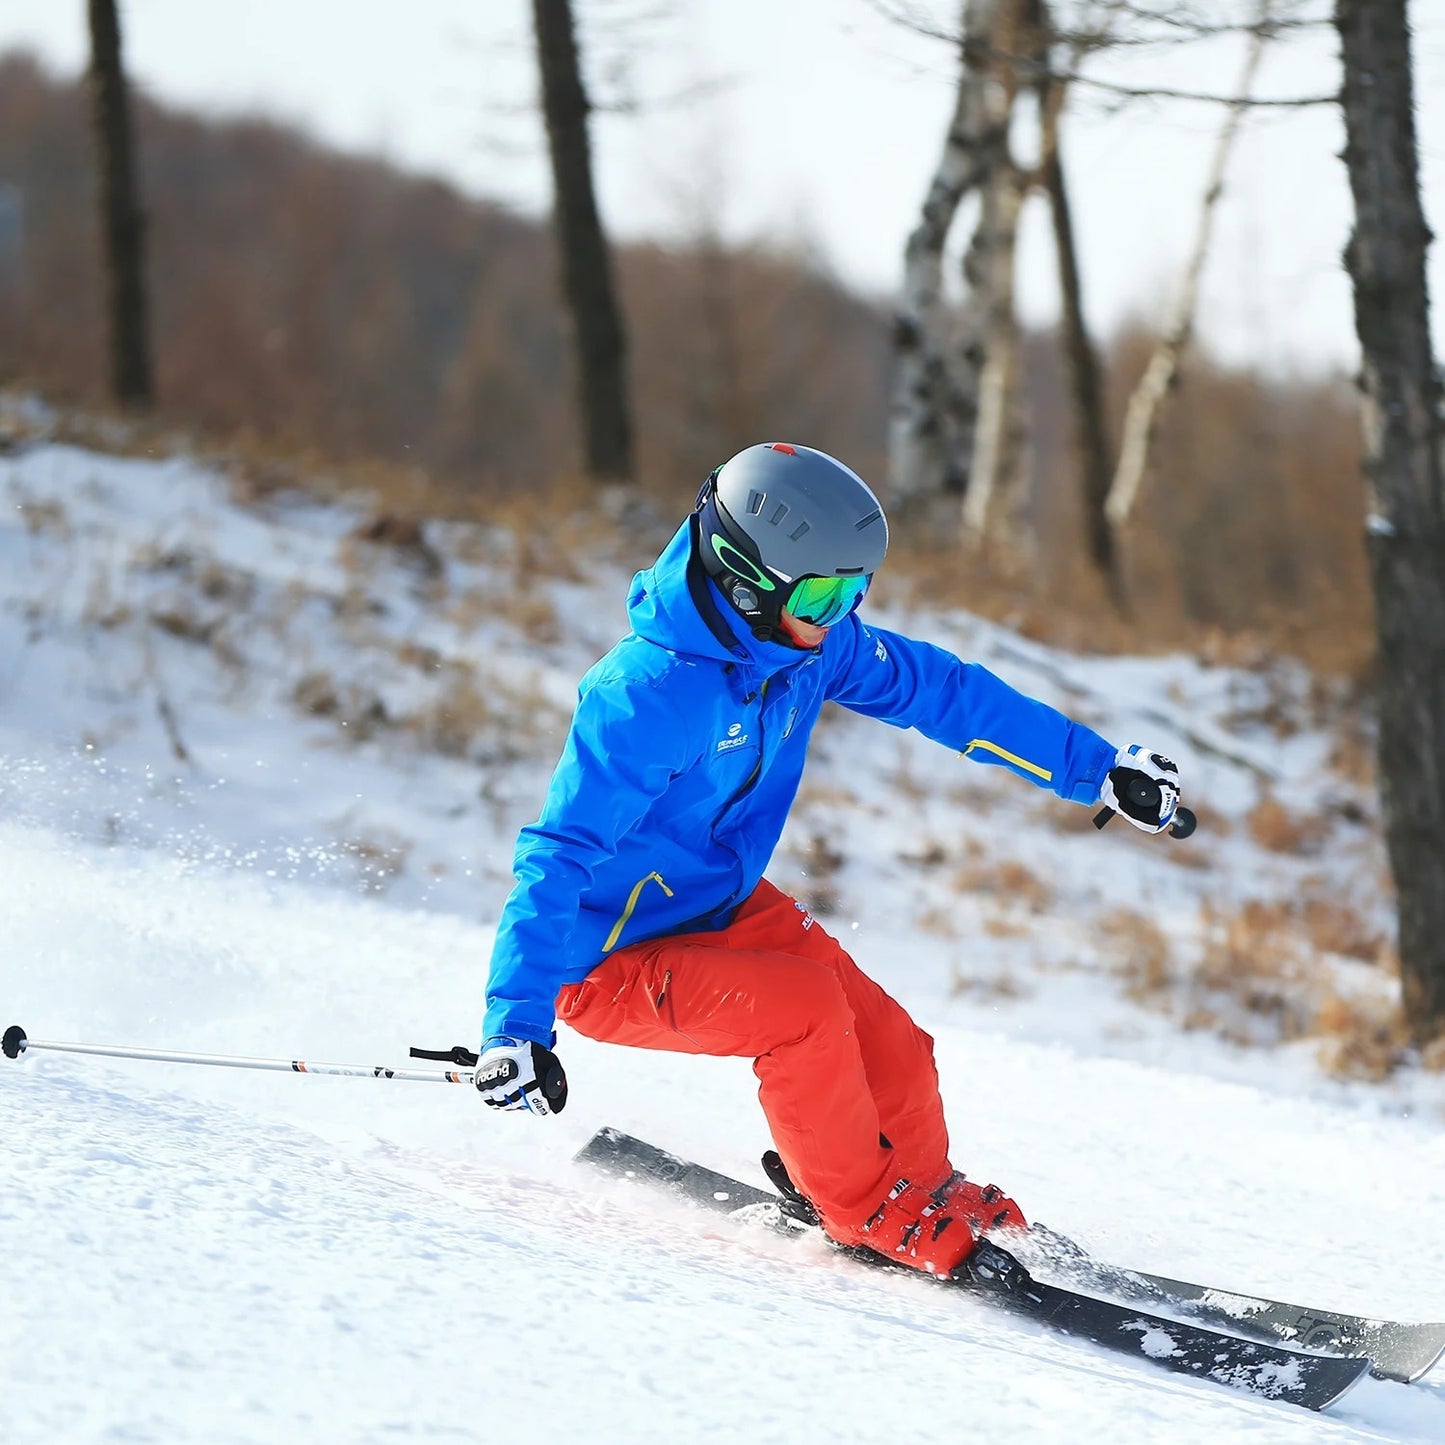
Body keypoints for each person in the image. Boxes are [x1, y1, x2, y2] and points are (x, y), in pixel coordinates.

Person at [475, 442, 1183, 1278]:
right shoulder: (644, 696)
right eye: (822, 593)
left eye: (854, 591)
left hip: (720, 907)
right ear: (746, 580)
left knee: (894, 1039)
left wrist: (1095, 767)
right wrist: (514, 1025)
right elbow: (557, 855)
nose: (841, 612)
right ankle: (861, 1206)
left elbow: (943, 692)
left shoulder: (812, 647)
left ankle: (921, 1183)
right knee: (805, 1013)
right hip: (603, 960)